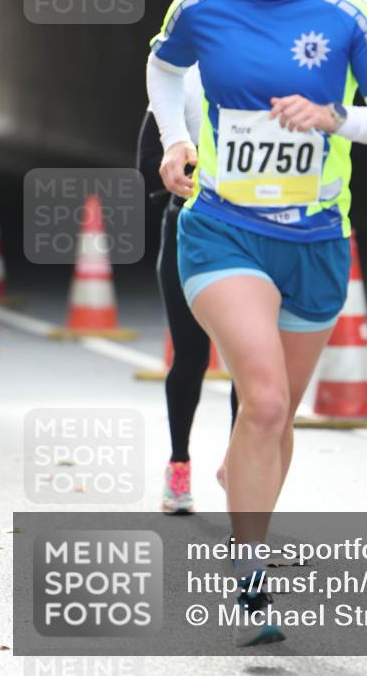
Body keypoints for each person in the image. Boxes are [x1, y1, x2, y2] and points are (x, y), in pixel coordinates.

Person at [147, 0, 367, 644]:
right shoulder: (202, 7)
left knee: (271, 419)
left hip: (316, 243)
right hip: (223, 229)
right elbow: (162, 67)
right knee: (260, 393)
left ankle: (246, 499)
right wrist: (176, 139)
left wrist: (334, 117)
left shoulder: (348, 12)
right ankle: (251, 584)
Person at [136, 63, 239, 514]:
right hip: (189, 227)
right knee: (191, 354)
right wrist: (187, 173)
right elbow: (146, 163)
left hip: (251, 232)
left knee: (249, 360)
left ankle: (241, 464)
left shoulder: (276, 71)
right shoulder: (183, 77)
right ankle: (178, 465)